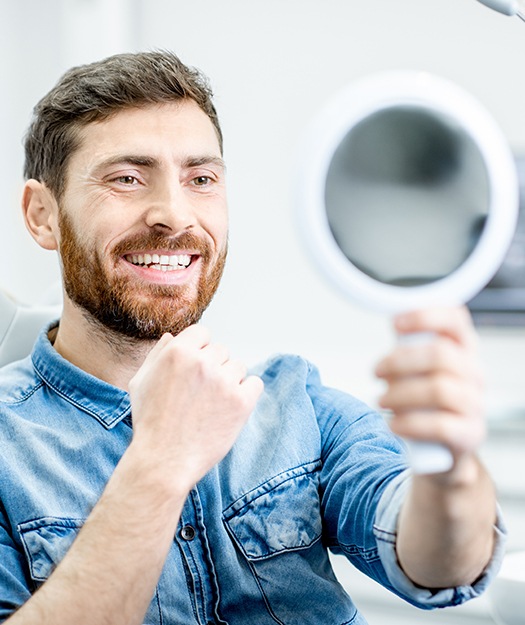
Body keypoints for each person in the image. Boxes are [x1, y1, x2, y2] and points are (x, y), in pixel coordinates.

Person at [0, 51, 505, 625]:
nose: (174, 213)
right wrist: (159, 464)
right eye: (127, 178)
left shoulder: (297, 404)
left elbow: (442, 566)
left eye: (201, 179)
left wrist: (452, 469)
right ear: (42, 215)